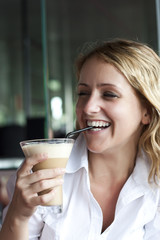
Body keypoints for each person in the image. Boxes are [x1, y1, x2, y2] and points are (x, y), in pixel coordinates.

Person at [0, 39, 160, 240]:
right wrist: (19, 214)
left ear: (146, 111)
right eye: (83, 93)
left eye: (109, 94)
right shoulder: (44, 168)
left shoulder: (156, 181)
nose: (88, 107)